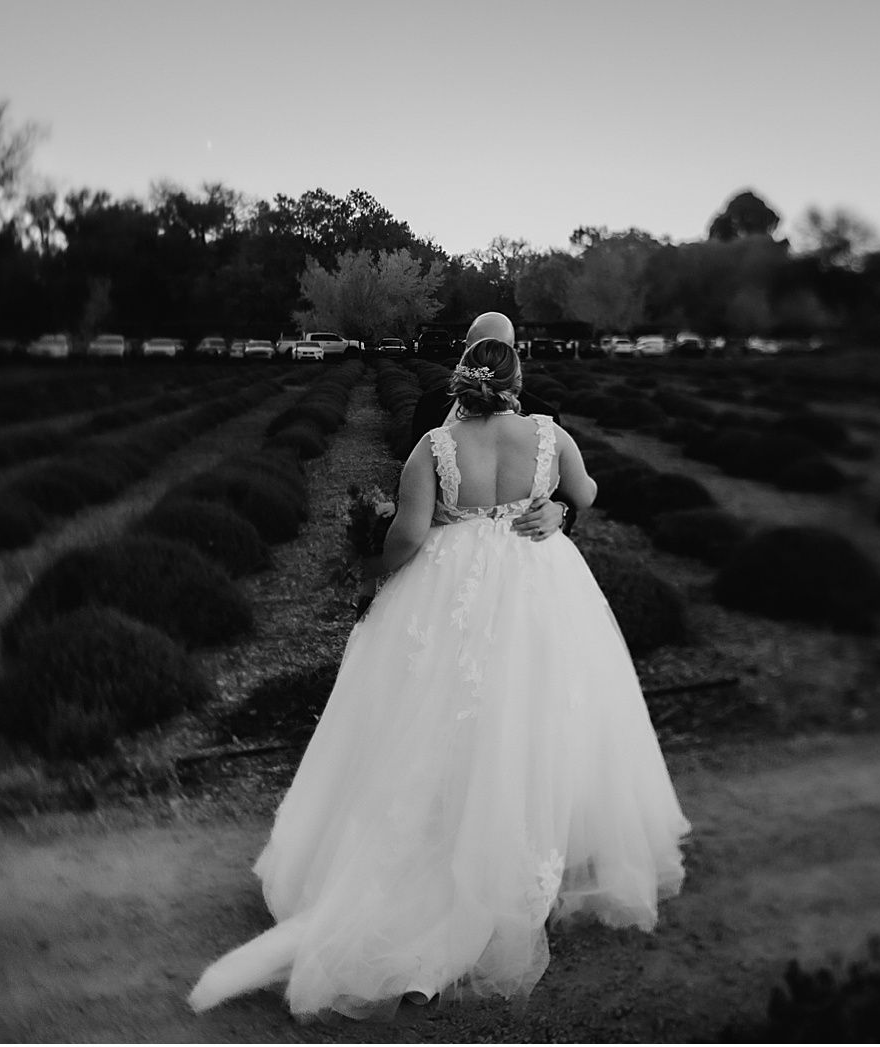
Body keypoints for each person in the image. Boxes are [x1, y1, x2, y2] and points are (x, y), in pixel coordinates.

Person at [188, 337, 689, 1020]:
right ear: (519, 377)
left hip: (452, 588)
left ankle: (441, 862)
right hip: (537, 583)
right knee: (536, 717)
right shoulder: (550, 434)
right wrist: (560, 508)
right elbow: (590, 490)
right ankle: (512, 864)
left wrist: (372, 568)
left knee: (439, 722)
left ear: (462, 375)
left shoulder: (435, 446)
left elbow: (410, 537)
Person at [411, 312, 580, 539]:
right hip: (444, 554)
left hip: (520, 554)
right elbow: (412, 476)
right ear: (464, 350)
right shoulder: (430, 405)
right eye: (481, 349)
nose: (489, 361)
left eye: (499, 350)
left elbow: (566, 492)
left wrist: (560, 511)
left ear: (513, 354)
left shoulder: (543, 416)